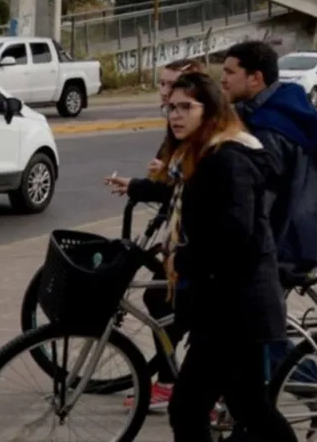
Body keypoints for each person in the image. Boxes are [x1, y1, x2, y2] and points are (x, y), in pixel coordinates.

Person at [106, 73, 297, 442]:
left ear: (209, 110)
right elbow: (182, 192)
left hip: (236, 307)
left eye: (185, 107)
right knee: (249, 408)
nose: (175, 116)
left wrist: (184, 257)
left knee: (190, 409)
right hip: (224, 303)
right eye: (171, 107)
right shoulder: (201, 153)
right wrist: (137, 186)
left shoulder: (227, 159)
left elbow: (236, 235)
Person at [220, 41, 317, 285]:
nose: (223, 79)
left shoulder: (270, 131)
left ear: (255, 79)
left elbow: (262, 196)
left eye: (230, 72)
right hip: (302, 229)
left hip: (286, 241)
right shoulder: (282, 101)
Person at [129, 58, 207, 412]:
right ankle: (171, 380)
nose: (168, 103)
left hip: (225, 276)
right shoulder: (184, 139)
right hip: (190, 254)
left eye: (182, 104)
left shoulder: (217, 153)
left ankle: (171, 381)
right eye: (166, 94)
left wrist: (186, 256)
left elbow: (226, 223)